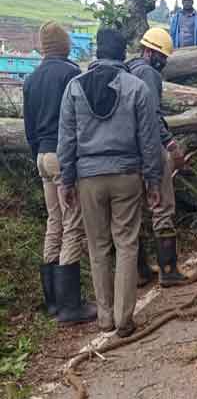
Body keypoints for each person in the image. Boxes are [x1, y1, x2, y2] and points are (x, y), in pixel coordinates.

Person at [57, 28, 162, 337]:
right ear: (122, 53)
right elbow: (149, 140)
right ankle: (124, 318)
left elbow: (67, 140)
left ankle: (104, 316)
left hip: (88, 177)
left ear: (98, 52)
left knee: (98, 246)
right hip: (127, 175)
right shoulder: (137, 87)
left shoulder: (74, 87)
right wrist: (153, 181)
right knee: (126, 243)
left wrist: (66, 180)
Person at [23, 22, 96, 325]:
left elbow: (28, 127)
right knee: (73, 222)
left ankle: (52, 302)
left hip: (41, 155)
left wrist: (37, 154)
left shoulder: (31, 78)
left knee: (54, 222)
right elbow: (79, 121)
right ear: (65, 45)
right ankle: (70, 305)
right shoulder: (70, 74)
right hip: (62, 157)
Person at [127, 27, 194, 288]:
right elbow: (152, 116)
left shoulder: (127, 70)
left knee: (135, 213)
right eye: (162, 57)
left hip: (127, 153)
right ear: (151, 52)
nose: (163, 63)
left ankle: (142, 270)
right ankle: (169, 270)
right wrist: (171, 144)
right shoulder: (148, 73)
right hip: (150, 150)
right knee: (162, 206)